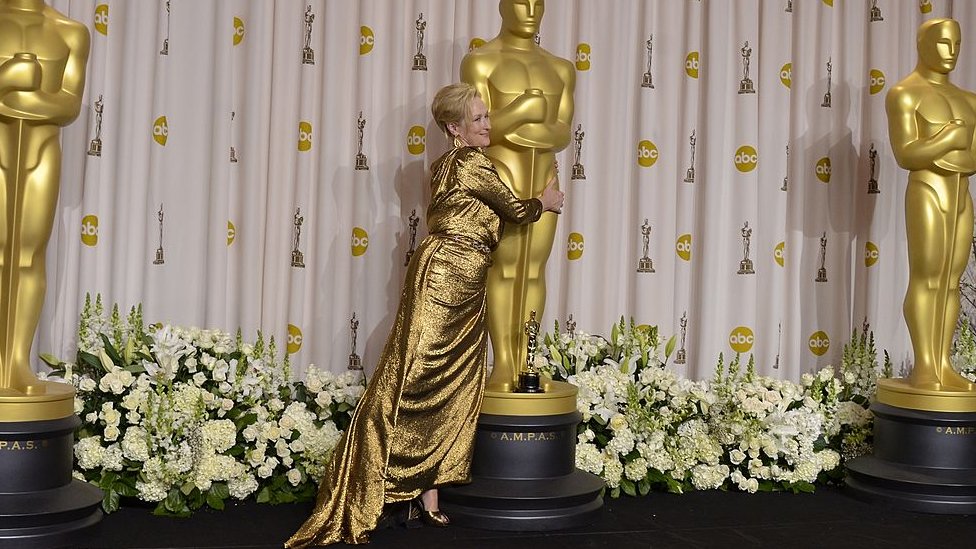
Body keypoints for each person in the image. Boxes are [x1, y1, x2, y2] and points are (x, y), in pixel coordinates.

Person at [285, 82, 564, 548]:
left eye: (487, 117)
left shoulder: (447, 165)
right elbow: (514, 210)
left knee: (449, 380)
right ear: (455, 128)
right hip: (447, 274)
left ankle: (428, 496)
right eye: (478, 119)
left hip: (466, 273)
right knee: (418, 375)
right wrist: (546, 202)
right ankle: (374, 478)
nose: (487, 125)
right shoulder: (472, 162)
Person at [461, 0, 575, 392]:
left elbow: (562, 131)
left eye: (537, 3)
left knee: (534, 270)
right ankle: (504, 364)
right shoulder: (480, 62)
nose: (530, 10)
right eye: (520, 2)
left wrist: (518, 126)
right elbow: (480, 129)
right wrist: (525, 109)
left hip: (544, 177)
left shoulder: (560, 68)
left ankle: (528, 359)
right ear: (502, 6)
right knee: (504, 267)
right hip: (500, 176)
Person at [0, 0, 90, 392]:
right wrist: (8, 78)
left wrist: (15, 98)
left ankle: (16, 361)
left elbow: (68, 105)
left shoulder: (70, 32)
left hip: (41, 154)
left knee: (27, 255)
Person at [886, 18, 976, 391]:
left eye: (956, 43)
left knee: (951, 281)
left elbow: (972, 159)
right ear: (923, 45)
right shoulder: (905, 94)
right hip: (927, 189)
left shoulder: (969, 100)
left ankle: (943, 362)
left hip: (961, 193)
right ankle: (925, 366)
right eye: (942, 43)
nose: (951, 51)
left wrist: (943, 150)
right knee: (927, 277)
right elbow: (907, 154)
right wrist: (949, 138)